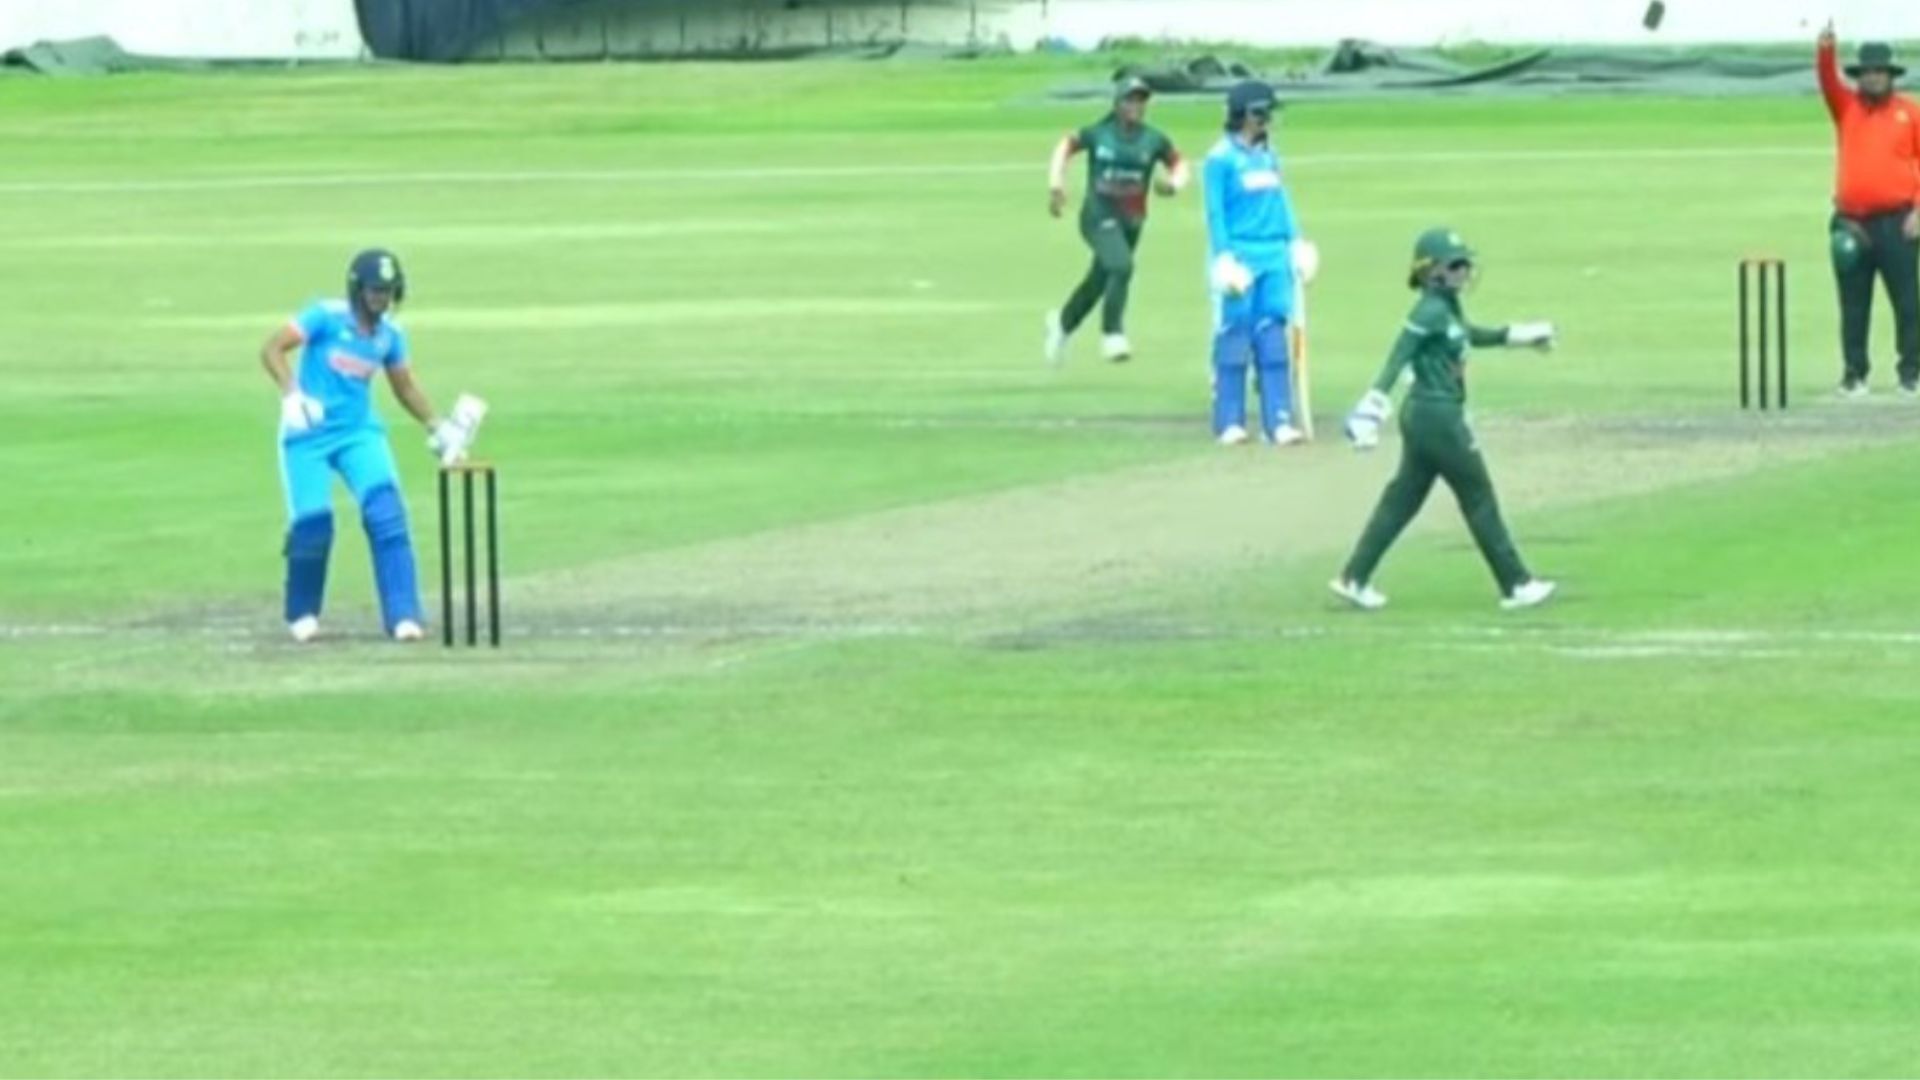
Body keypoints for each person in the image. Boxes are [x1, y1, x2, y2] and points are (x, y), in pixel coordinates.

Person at [1330, 228, 1559, 612]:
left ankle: (1354, 577)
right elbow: (1396, 359)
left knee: (1402, 500)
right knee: (1478, 498)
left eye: (1465, 264)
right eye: (1455, 265)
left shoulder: (1447, 308)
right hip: (1438, 418)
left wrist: (1520, 336)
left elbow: (1468, 335)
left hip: (1425, 418)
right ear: (1430, 271)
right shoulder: (1428, 311)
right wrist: (1370, 409)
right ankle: (1516, 584)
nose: (1464, 271)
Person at [260, 249, 480, 643]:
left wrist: (437, 426)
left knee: (386, 514)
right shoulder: (324, 316)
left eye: (389, 292)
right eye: (376, 291)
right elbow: (272, 349)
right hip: (306, 435)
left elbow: (404, 387)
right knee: (314, 527)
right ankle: (302, 611)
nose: (382, 299)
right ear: (357, 289)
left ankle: (404, 615)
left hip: (360, 434)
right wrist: (291, 394)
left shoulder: (389, 336)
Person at [1044, 75, 1188, 365]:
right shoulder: (1100, 133)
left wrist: (1173, 185)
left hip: (1131, 222)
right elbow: (1066, 146)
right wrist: (1056, 184)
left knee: (1100, 281)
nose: (1135, 105)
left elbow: (1179, 163)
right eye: (1130, 99)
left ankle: (1061, 324)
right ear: (1118, 103)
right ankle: (1113, 334)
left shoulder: (1153, 139)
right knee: (1121, 266)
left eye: (1140, 100)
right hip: (1098, 216)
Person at [1203, 80, 1309, 446]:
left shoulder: (1269, 156)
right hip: (1240, 255)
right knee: (1236, 333)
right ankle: (1229, 420)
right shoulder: (1219, 159)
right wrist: (1224, 257)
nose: (1265, 121)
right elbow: (1215, 213)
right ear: (1240, 115)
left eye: (1268, 114)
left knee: (1272, 332)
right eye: (1259, 113)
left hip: (1274, 255)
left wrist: (1297, 241)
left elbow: (1282, 202)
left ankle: (1278, 419)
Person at [1817, 23, 1920, 396]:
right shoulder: (1846, 108)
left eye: (1880, 72)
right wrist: (1826, 49)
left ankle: (1911, 374)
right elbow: (1828, 81)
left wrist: (1918, 212)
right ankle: (1854, 373)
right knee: (1854, 304)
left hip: (1899, 222)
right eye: (1868, 73)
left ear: (1889, 75)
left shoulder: (1909, 113)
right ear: (1859, 77)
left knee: (1908, 302)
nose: (1874, 78)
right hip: (1852, 224)